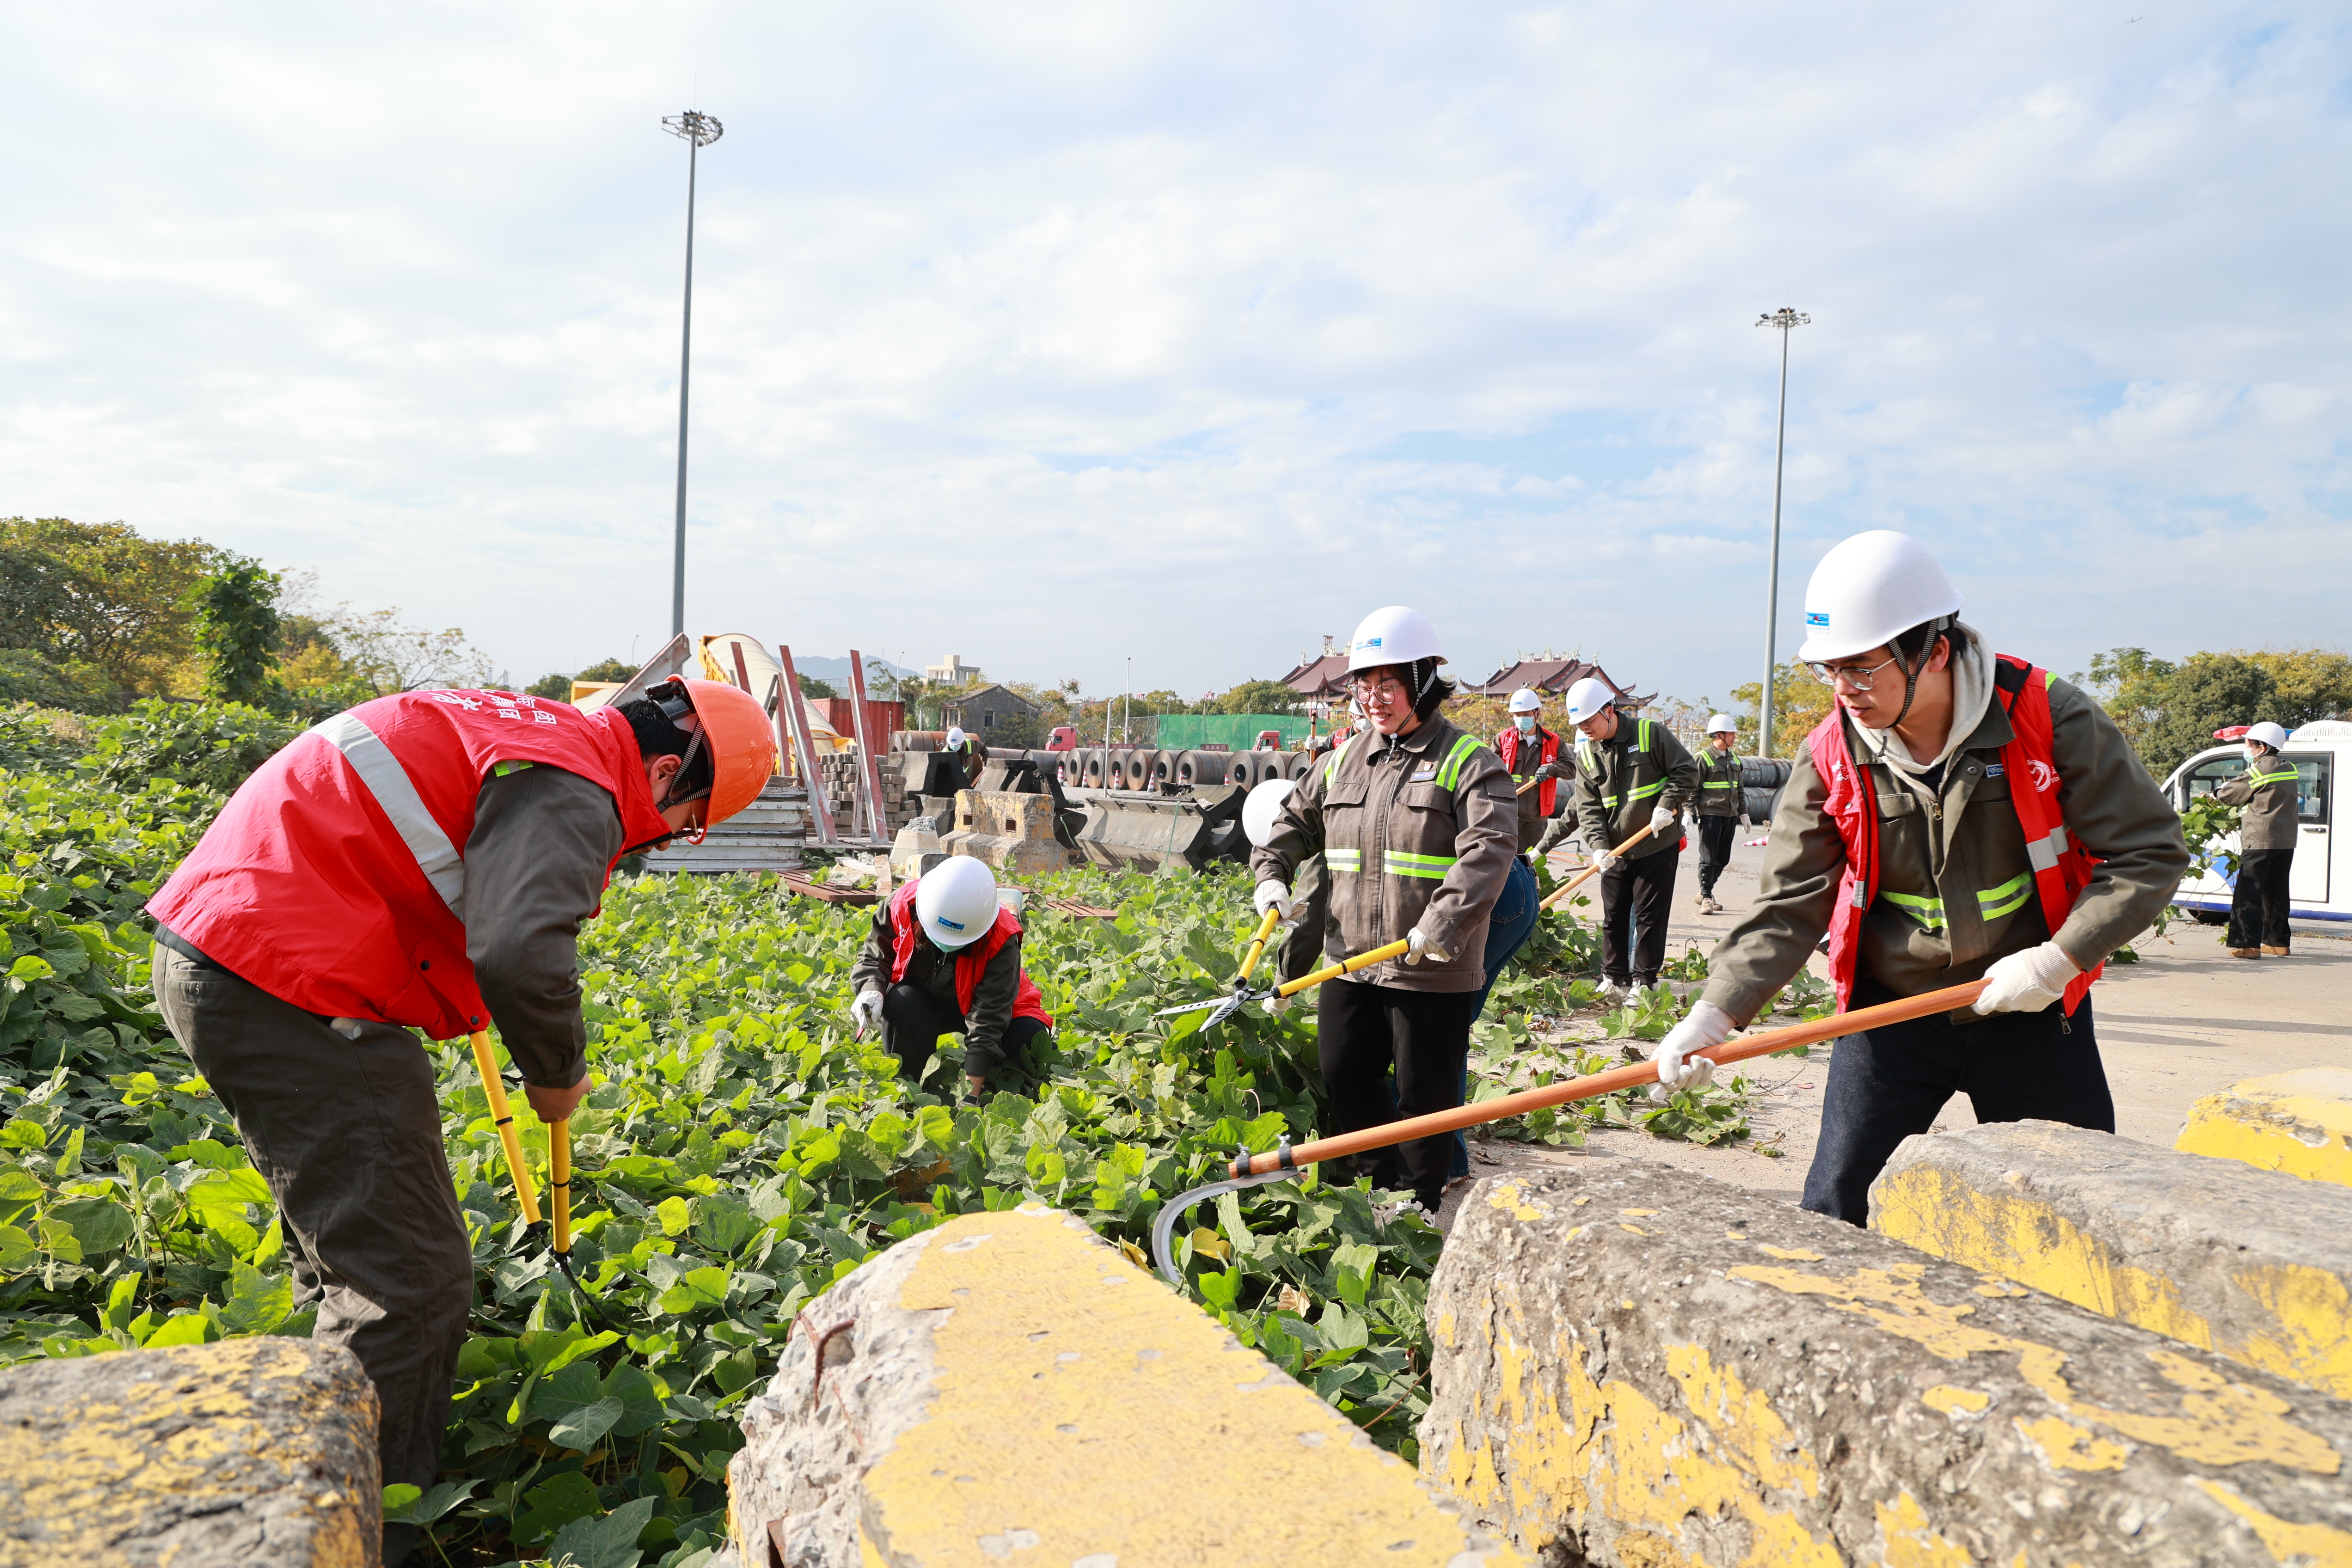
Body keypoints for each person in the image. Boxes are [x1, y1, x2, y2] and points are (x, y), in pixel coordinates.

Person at [144, 677, 778, 1564]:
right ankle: (357, 1538)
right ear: (667, 770)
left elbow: (443, 871)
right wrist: (557, 1075)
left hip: (229, 951)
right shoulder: (576, 781)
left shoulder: (532, 732)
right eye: (689, 818)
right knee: (410, 1282)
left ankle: (299, 1459)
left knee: (351, 1254)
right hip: (289, 983)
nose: (668, 838)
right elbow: (518, 949)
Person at [1648, 531, 2190, 1224]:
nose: (1844, 691)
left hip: (2028, 1004)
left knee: (2083, 1213)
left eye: (1861, 669)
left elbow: (2150, 852)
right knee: (1834, 1207)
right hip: (1893, 1014)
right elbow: (1787, 906)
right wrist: (1714, 1013)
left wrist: (2062, 958)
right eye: (1830, 672)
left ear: (1934, 650)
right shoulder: (1831, 753)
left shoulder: (2046, 717)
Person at [1250, 606, 1516, 1213]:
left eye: (1387, 685)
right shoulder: (1341, 760)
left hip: (1429, 961)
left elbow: (1489, 852)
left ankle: (1420, 1205)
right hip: (1352, 961)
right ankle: (1377, 1187)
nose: (1374, 698)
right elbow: (1290, 825)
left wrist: (1440, 925)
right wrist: (1271, 878)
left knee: (1425, 1095)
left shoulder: (1469, 763)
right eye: (1364, 686)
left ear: (1423, 681)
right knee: (1345, 1072)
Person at [848, 855, 1053, 1099]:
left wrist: (970, 1097)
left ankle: (1000, 1079)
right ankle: (909, 1088)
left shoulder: (1001, 937)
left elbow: (989, 1019)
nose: (946, 945)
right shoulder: (902, 904)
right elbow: (875, 956)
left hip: (995, 1006)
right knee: (902, 1002)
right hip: (927, 999)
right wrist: (870, 989)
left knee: (1028, 1036)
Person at [1560, 676, 1698, 1003]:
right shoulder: (1587, 755)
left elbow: (1686, 770)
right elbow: (1589, 806)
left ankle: (1644, 981)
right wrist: (1598, 847)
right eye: (1579, 724)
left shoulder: (1650, 734)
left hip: (1656, 843)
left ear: (1609, 711)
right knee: (1614, 915)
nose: (1585, 729)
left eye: (1590, 720)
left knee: (1650, 916)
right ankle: (1613, 976)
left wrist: (1667, 806)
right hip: (1615, 850)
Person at [2216, 721, 2300, 959]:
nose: (2248, 749)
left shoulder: (2260, 770)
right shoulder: (2289, 767)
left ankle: (2248, 945)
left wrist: (2214, 794)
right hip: (2285, 840)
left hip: (2260, 839)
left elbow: (2229, 795)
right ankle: (2278, 943)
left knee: (2248, 891)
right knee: (2276, 892)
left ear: (2262, 747)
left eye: (2250, 745)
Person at [1496, 688, 1565, 855]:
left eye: (1526, 715)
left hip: (1535, 819)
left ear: (1537, 714)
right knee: (1503, 864)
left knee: (1531, 865)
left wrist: (1550, 768)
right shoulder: (1503, 739)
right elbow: (1487, 769)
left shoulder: (1553, 741)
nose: (1521, 719)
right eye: (1517, 715)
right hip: (1506, 814)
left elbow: (1572, 769)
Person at [1692, 714, 1744, 915]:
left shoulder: (1734, 759)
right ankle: (1706, 897)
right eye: (1731, 733)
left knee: (1723, 859)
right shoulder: (1703, 757)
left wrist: (1744, 814)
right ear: (1719, 734)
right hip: (1711, 814)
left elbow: (1740, 789)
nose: (1735, 737)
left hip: (1730, 815)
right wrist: (1689, 812)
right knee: (1708, 857)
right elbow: (1693, 788)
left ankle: (1704, 892)